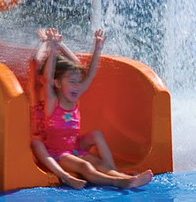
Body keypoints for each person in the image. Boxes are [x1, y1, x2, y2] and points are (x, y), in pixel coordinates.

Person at [33, 28, 153, 189]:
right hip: (58, 154)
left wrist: (97, 49)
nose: (78, 86)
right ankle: (119, 181)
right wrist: (54, 51)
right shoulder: (53, 102)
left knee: (97, 151)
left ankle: (118, 173)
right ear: (58, 83)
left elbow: (88, 75)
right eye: (72, 82)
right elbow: (48, 79)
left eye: (78, 82)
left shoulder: (74, 98)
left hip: (74, 149)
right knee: (85, 166)